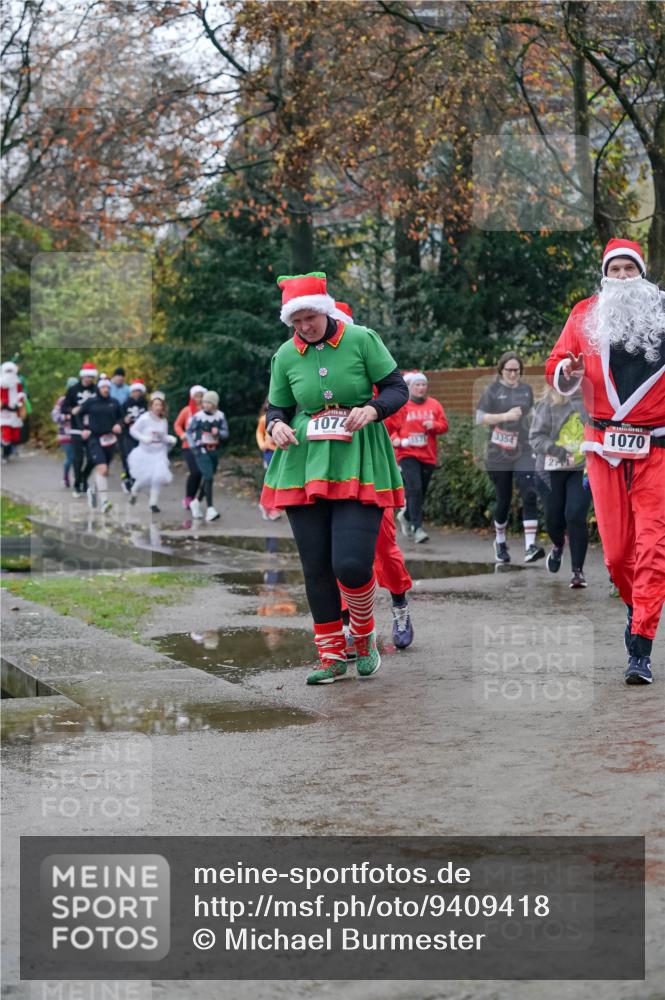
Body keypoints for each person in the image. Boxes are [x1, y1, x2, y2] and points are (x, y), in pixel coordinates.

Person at [260, 271, 407, 685]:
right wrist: (276, 425)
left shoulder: (361, 339)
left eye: (310, 318)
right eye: (296, 321)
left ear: (325, 311)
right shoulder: (285, 355)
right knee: (316, 566)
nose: (304, 327)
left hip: (359, 458)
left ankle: (363, 637)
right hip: (304, 464)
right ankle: (330, 655)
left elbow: (396, 388)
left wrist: (373, 409)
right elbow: (277, 408)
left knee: (352, 564)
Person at [545, 237, 665, 685]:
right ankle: (636, 605)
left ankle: (641, 646)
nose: (622, 277)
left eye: (629, 269)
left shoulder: (662, 311)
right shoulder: (585, 314)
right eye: (615, 269)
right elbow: (556, 363)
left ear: (642, 273)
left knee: (653, 547)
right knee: (616, 556)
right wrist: (566, 372)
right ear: (605, 275)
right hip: (604, 448)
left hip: (657, 449)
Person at [334, 301, 415, 651]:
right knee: (334, 553)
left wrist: (371, 412)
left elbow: (396, 398)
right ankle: (348, 625)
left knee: (383, 546)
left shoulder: (365, 357)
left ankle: (400, 605)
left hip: (371, 468)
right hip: (330, 469)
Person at [476, 351, 545, 564]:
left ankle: (530, 546)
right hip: (498, 453)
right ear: (501, 370)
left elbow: (531, 414)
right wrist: (505, 416)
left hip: (522, 449)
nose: (513, 374)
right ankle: (500, 541)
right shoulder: (492, 391)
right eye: (509, 370)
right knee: (504, 499)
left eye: (517, 370)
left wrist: (540, 422)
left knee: (530, 492)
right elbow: (480, 418)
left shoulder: (526, 390)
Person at [529, 386, 591, 588]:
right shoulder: (547, 404)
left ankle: (577, 571)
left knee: (575, 514)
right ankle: (558, 545)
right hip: (550, 470)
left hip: (581, 469)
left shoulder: (591, 399)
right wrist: (554, 449)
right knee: (553, 519)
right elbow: (535, 437)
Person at [390, 371, 448, 543]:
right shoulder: (402, 406)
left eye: (423, 384)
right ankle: (417, 528)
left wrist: (434, 425)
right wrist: (397, 440)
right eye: (417, 385)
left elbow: (444, 425)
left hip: (428, 455)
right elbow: (391, 428)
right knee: (414, 488)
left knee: (421, 491)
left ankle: (407, 515)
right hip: (407, 454)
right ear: (410, 387)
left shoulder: (434, 405)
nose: (421, 388)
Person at [78, 377, 123, 512]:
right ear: (98, 388)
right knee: (102, 468)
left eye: (108, 387)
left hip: (110, 439)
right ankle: (104, 502)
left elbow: (121, 418)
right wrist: (83, 429)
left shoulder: (114, 403)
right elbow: (78, 415)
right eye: (103, 387)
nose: (106, 390)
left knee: (104, 471)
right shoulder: (91, 402)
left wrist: (119, 425)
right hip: (95, 439)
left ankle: (92, 490)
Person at [128, 392, 176, 512]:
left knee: (157, 477)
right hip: (145, 452)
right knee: (144, 478)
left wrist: (170, 439)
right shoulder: (144, 418)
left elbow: (163, 436)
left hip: (159, 452)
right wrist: (143, 438)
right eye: (156, 404)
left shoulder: (163, 420)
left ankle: (153, 503)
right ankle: (134, 490)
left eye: (160, 405)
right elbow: (133, 430)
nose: (158, 407)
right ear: (151, 406)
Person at [187, 390, 229, 522]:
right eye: (204, 402)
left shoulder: (220, 416)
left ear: (215, 404)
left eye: (209, 402)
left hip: (213, 450)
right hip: (201, 450)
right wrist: (193, 447)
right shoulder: (198, 417)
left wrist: (218, 432)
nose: (205, 404)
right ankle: (210, 509)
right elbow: (189, 432)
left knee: (208, 477)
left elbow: (226, 433)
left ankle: (196, 502)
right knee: (208, 477)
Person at [61, 362, 98, 496]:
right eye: (87, 376)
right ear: (82, 376)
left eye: (91, 377)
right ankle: (78, 485)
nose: (89, 379)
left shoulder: (96, 390)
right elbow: (64, 408)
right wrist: (72, 410)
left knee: (92, 458)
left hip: (93, 429)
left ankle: (83, 477)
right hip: (77, 428)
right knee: (78, 459)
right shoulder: (73, 390)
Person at [174, 385, 206, 510]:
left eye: (201, 396)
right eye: (196, 396)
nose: (199, 399)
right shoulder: (187, 410)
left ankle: (196, 499)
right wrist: (182, 434)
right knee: (195, 472)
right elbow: (177, 424)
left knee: (202, 473)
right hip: (188, 446)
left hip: (203, 446)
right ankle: (188, 497)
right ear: (192, 397)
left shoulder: (207, 411)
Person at [119, 379, 148, 493]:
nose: (136, 394)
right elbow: (119, 418)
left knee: (140, 457)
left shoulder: (146, 404)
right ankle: (127, 478)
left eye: (138, 391)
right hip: (128, 434)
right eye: (134, 391)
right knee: (128, 455)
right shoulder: (125, 404)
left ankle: (136, 478)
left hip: (141, 435)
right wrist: (124, 420)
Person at [256, 399, 281, 521]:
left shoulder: (285, 418)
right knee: (272, 478)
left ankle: (273, 507)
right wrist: (262, 445)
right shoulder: (263, 419)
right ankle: (268, 506)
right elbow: (259, 433)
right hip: (269, 452)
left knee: (279, 479)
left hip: (281, 451)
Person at [51, 377, 78, 487]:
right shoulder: (62, 400)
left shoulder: (80, 400)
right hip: (65, 434)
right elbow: (55, 416)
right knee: (70, 457)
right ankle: (66, 476)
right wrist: (67, 417)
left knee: (78, 458)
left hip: (78, 433)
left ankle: (78, 478)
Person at [1, 361, 26, 462]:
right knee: (7, 435)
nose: (9, 374)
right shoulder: (1, 384)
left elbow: (21, 394)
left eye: (11, 371)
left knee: (15, 436)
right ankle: (5, 454)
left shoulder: (17, 383)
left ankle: (7, 449)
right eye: (7, 371)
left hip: (15, 412)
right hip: (4, 413)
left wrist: (21, 403)